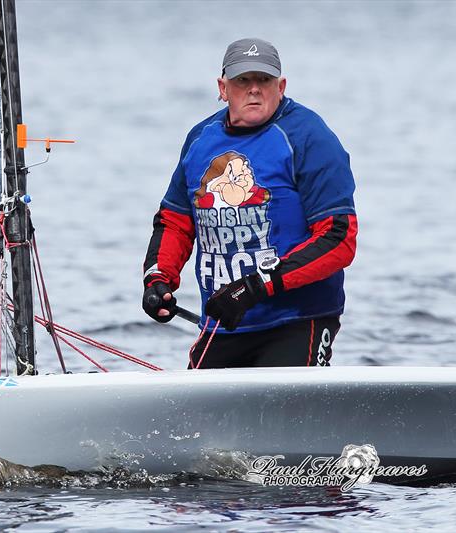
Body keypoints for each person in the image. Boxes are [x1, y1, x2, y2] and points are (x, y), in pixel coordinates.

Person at [142, 38, 357, 368]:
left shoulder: (310, 137)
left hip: (297, 320)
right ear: (223, 88)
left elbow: (339, 238)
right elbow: (176, 222)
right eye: (243, 80)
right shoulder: (200, 139)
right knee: (195, 419)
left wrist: (259, 285)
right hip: (224, 324)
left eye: (264, 80)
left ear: (281, 86)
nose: (254, 90)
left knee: (282, 413)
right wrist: (158, 280)